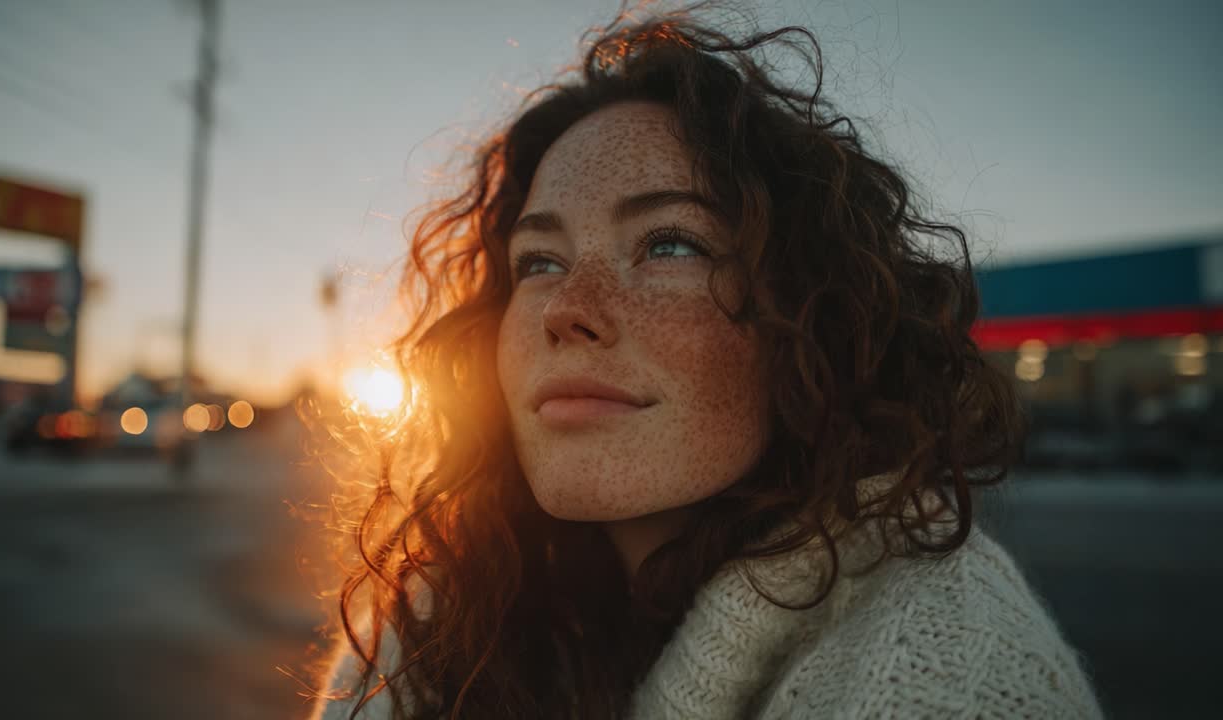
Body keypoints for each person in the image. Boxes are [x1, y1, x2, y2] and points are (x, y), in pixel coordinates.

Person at [308, 5, 1103, 719]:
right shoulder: (434, 624)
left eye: (669, 244)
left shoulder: (952, 669)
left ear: (810, 316)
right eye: (538, 262)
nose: (564, 310)